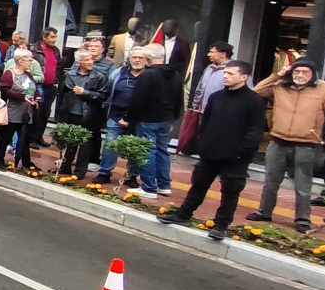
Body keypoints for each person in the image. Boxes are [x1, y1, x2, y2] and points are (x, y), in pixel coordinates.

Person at [160, 61, 266, 240]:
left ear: (244, 77)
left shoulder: (254, 101)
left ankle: (221, 225)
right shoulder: (216, 97)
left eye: (230, 74)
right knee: (198, 185)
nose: (225, 76)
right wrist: (203, 144)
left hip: (236, 157)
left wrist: (242, 152)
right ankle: (183, 214)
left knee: (230, 192)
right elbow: (205, 122)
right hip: (210, 152)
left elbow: (255, 131)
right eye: (225, 73)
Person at [249, 59, 325, 233]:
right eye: (296, 72)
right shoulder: (280, 85)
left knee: (303, 185)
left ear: (313, 74)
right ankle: (264, 212)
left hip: (307, 144)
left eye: (305, 72)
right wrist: (277, 74)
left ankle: (303, 219)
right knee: (270, 181)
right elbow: (257, 91)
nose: (300, 75)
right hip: (278, 141)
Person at [120, 43, 178, 200]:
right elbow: (180, 99)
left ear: (149, 58)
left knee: (147, 150)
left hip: (148, 119)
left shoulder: (148, 75)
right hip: (167, 118)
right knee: (162, 150)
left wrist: (127, 118)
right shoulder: (175, 74)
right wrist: (174, 116)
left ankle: (149, 187)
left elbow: (138, 100)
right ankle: (164, 185)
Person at [96, 48, 149, 187]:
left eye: (140, 58)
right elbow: (107, 91)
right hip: (115, 116)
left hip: (138, 120)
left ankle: (131, 176)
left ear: (146, 60)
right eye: (134, 57)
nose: (137, 60)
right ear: (129, 59)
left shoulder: (149, 76)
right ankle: (104, 173)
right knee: (110, 145)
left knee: (136, 147)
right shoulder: (118, 72)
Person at [55, 49, 109, 176]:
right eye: (87, 60)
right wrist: (60, 115)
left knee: (85, 144)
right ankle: (65, 167)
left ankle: (80, 172)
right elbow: (62, 95)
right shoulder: (69, 75)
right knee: (70, 142)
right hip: (70, 112)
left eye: (91, 59)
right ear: (79, 62)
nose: (91, 62)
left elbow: (102, 96)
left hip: (88, 114)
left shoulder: (99, 76)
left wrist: (85, 92)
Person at [180, 43, 234, 158]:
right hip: (203, 111)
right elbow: (200, 86)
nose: (208, 54)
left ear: (223, 54)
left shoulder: (234, 70)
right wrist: (195, 106)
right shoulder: (209, 68)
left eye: (212, 52)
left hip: (222, 112)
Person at [0, 48, 40, 171]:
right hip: (12, 111)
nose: (31, 61)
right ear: (20, 61)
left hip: (26, 112)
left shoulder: (28, 74)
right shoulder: (10, 73)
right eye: (29, 59)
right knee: (5, 137)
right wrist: (22, 97)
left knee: (24, 139)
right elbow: (5, 90)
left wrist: (37, 98)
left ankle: (25, 162)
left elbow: (34, 88)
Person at [31, 27, 62, 147]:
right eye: (52, 37)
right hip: (38, 85)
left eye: (55, 37)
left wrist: (57, 81)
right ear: (44, 37)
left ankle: (39, 137)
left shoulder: (56, 51)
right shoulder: (34, 49)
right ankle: (31, 138)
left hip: (51, 86)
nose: (55, 40)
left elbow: (59, 66)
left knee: (45, 113)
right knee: (36, 112)